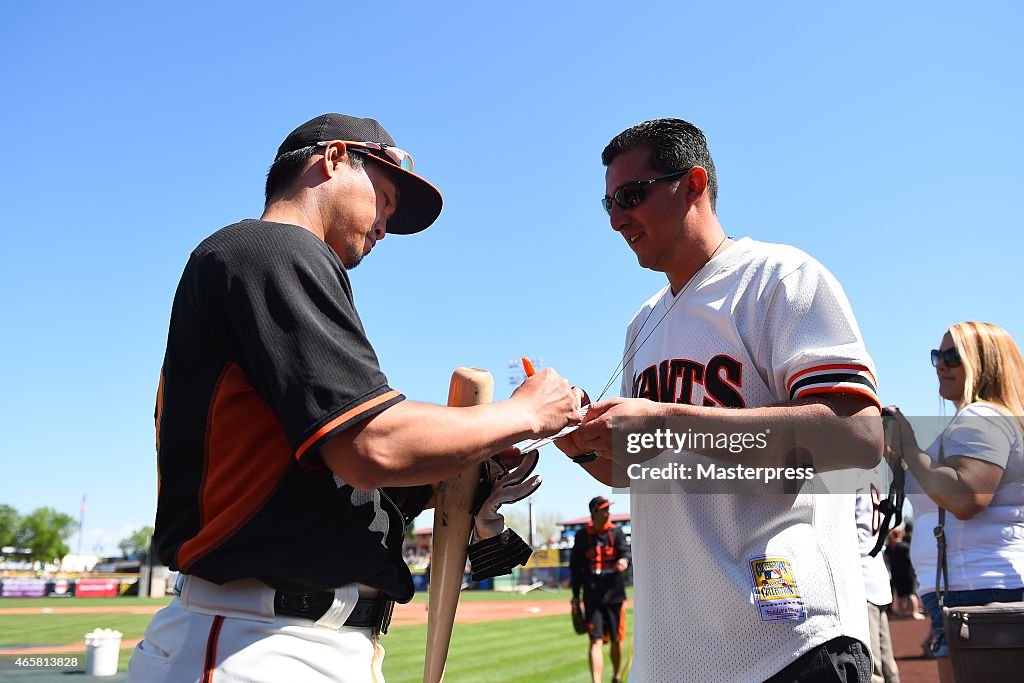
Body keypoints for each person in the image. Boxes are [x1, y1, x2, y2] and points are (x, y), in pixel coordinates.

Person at [126, 113, 583, 683]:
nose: (386, 226)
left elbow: (343, 484)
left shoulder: (276, 264)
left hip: (299, 640)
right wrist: (523, 413)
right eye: (385, 198)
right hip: (257, 643)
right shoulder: (269, 248)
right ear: (334, 158)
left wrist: (464, 465)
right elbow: (371, 445)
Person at [557, 118, 883, 682]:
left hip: (788, 638)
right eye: (607, 203)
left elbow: (857, 435)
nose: (615, 219)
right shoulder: (642, 323)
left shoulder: (779, 277)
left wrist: (667, 418)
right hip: (676, 647)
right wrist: (583, 444)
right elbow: (648, 474)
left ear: (694, 183)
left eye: (631, 196)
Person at [886, 321, 1024, 683]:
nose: (940, 365)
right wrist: (902, 457)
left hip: (978, 591)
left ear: (985, 362)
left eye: (952, 356)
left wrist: (911, 449)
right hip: (973, 589)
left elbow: (965, 499)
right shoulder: (986, 419)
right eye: (937, 356)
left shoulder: (980, 417)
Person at [570, 496, 631, 683]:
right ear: (594, 513)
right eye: (604, 509)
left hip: (614, 593)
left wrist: (624, 561)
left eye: (608, 509)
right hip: (592, 595)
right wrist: (575, 596)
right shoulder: (582, 536)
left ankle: (616, 675)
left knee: (616, 639)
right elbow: (576, 567)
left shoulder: (616, 532)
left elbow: (626, 553)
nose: (608, 513)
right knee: (595, 640)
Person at [856, 475, 901, 682]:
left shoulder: (850, 474)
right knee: (887, 664)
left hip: (860, 576)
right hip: (876, 574)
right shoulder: (875, 476)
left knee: (872, 669)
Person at [883, 526, 924, 620]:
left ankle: (902, 613)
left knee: (903, 595)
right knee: (909, 594)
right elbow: (911, 559)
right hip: (906, 574)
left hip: (899, 574)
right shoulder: (904, 546)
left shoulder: (891, 548)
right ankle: (913, 613)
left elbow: (886, 560)